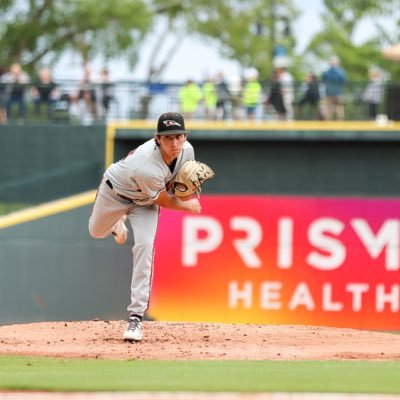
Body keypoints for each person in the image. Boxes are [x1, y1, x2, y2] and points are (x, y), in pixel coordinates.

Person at [88, 112, 202, 341]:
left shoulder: (187, 150)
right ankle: (116, 225)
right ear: (157, 139)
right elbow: (164, 199)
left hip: (144, 203)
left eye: (179, 136)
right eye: (168, 138)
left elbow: (181, 185)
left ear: (185, 136)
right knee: (96, 231)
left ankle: (136, 317)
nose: (175, 142)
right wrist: (188, 206)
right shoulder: (145, 164)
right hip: (115, 193)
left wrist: (189, 191)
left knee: (145, 246)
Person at [321, 56, 347, 120]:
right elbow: (344, 81)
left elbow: (323, 80)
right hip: (333, 92)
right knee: (335, 108)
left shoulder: (328, 72)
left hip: (335, 92)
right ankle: (333, 123)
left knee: (336, 108)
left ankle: (335, 123)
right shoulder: (340, 71)